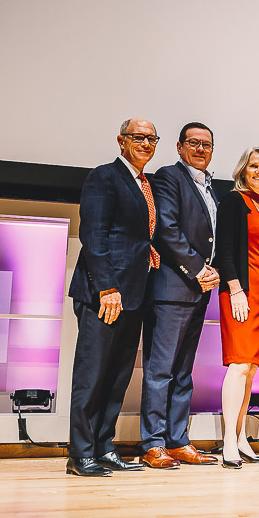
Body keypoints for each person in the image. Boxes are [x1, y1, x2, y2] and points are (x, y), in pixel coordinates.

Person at [66, 118, 160, 476]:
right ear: (121, 141)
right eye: (138, 137)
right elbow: (93, 234)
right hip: (105, 294)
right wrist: (107, 287)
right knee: (92, 376)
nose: (146, 143)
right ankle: (81, 453)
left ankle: (104, 447)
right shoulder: (104, 176)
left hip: (134, 294)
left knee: (117, 376)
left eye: (152, 138)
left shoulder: (144, 184)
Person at [140, 122, 220, 469]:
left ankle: (177, 440)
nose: (200, 149)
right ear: (179, 147)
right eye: (194, 143)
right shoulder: (168, 177)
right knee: (160, 371)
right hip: (173, 288)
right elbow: (166, 229)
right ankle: (153, 442)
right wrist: (199, 269)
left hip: (198, 292)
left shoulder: (209, 187)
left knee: (183, 372)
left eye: (207, 144)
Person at [213, 147, 259, 468]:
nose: (258, 172)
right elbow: (225, 249)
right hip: (240, 294)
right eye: (253, 166)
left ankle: (241, 438)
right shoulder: (233, 201)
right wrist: (235, 289)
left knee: (251, 371)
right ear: (243, 169)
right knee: (239, 366)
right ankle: (228, 442)